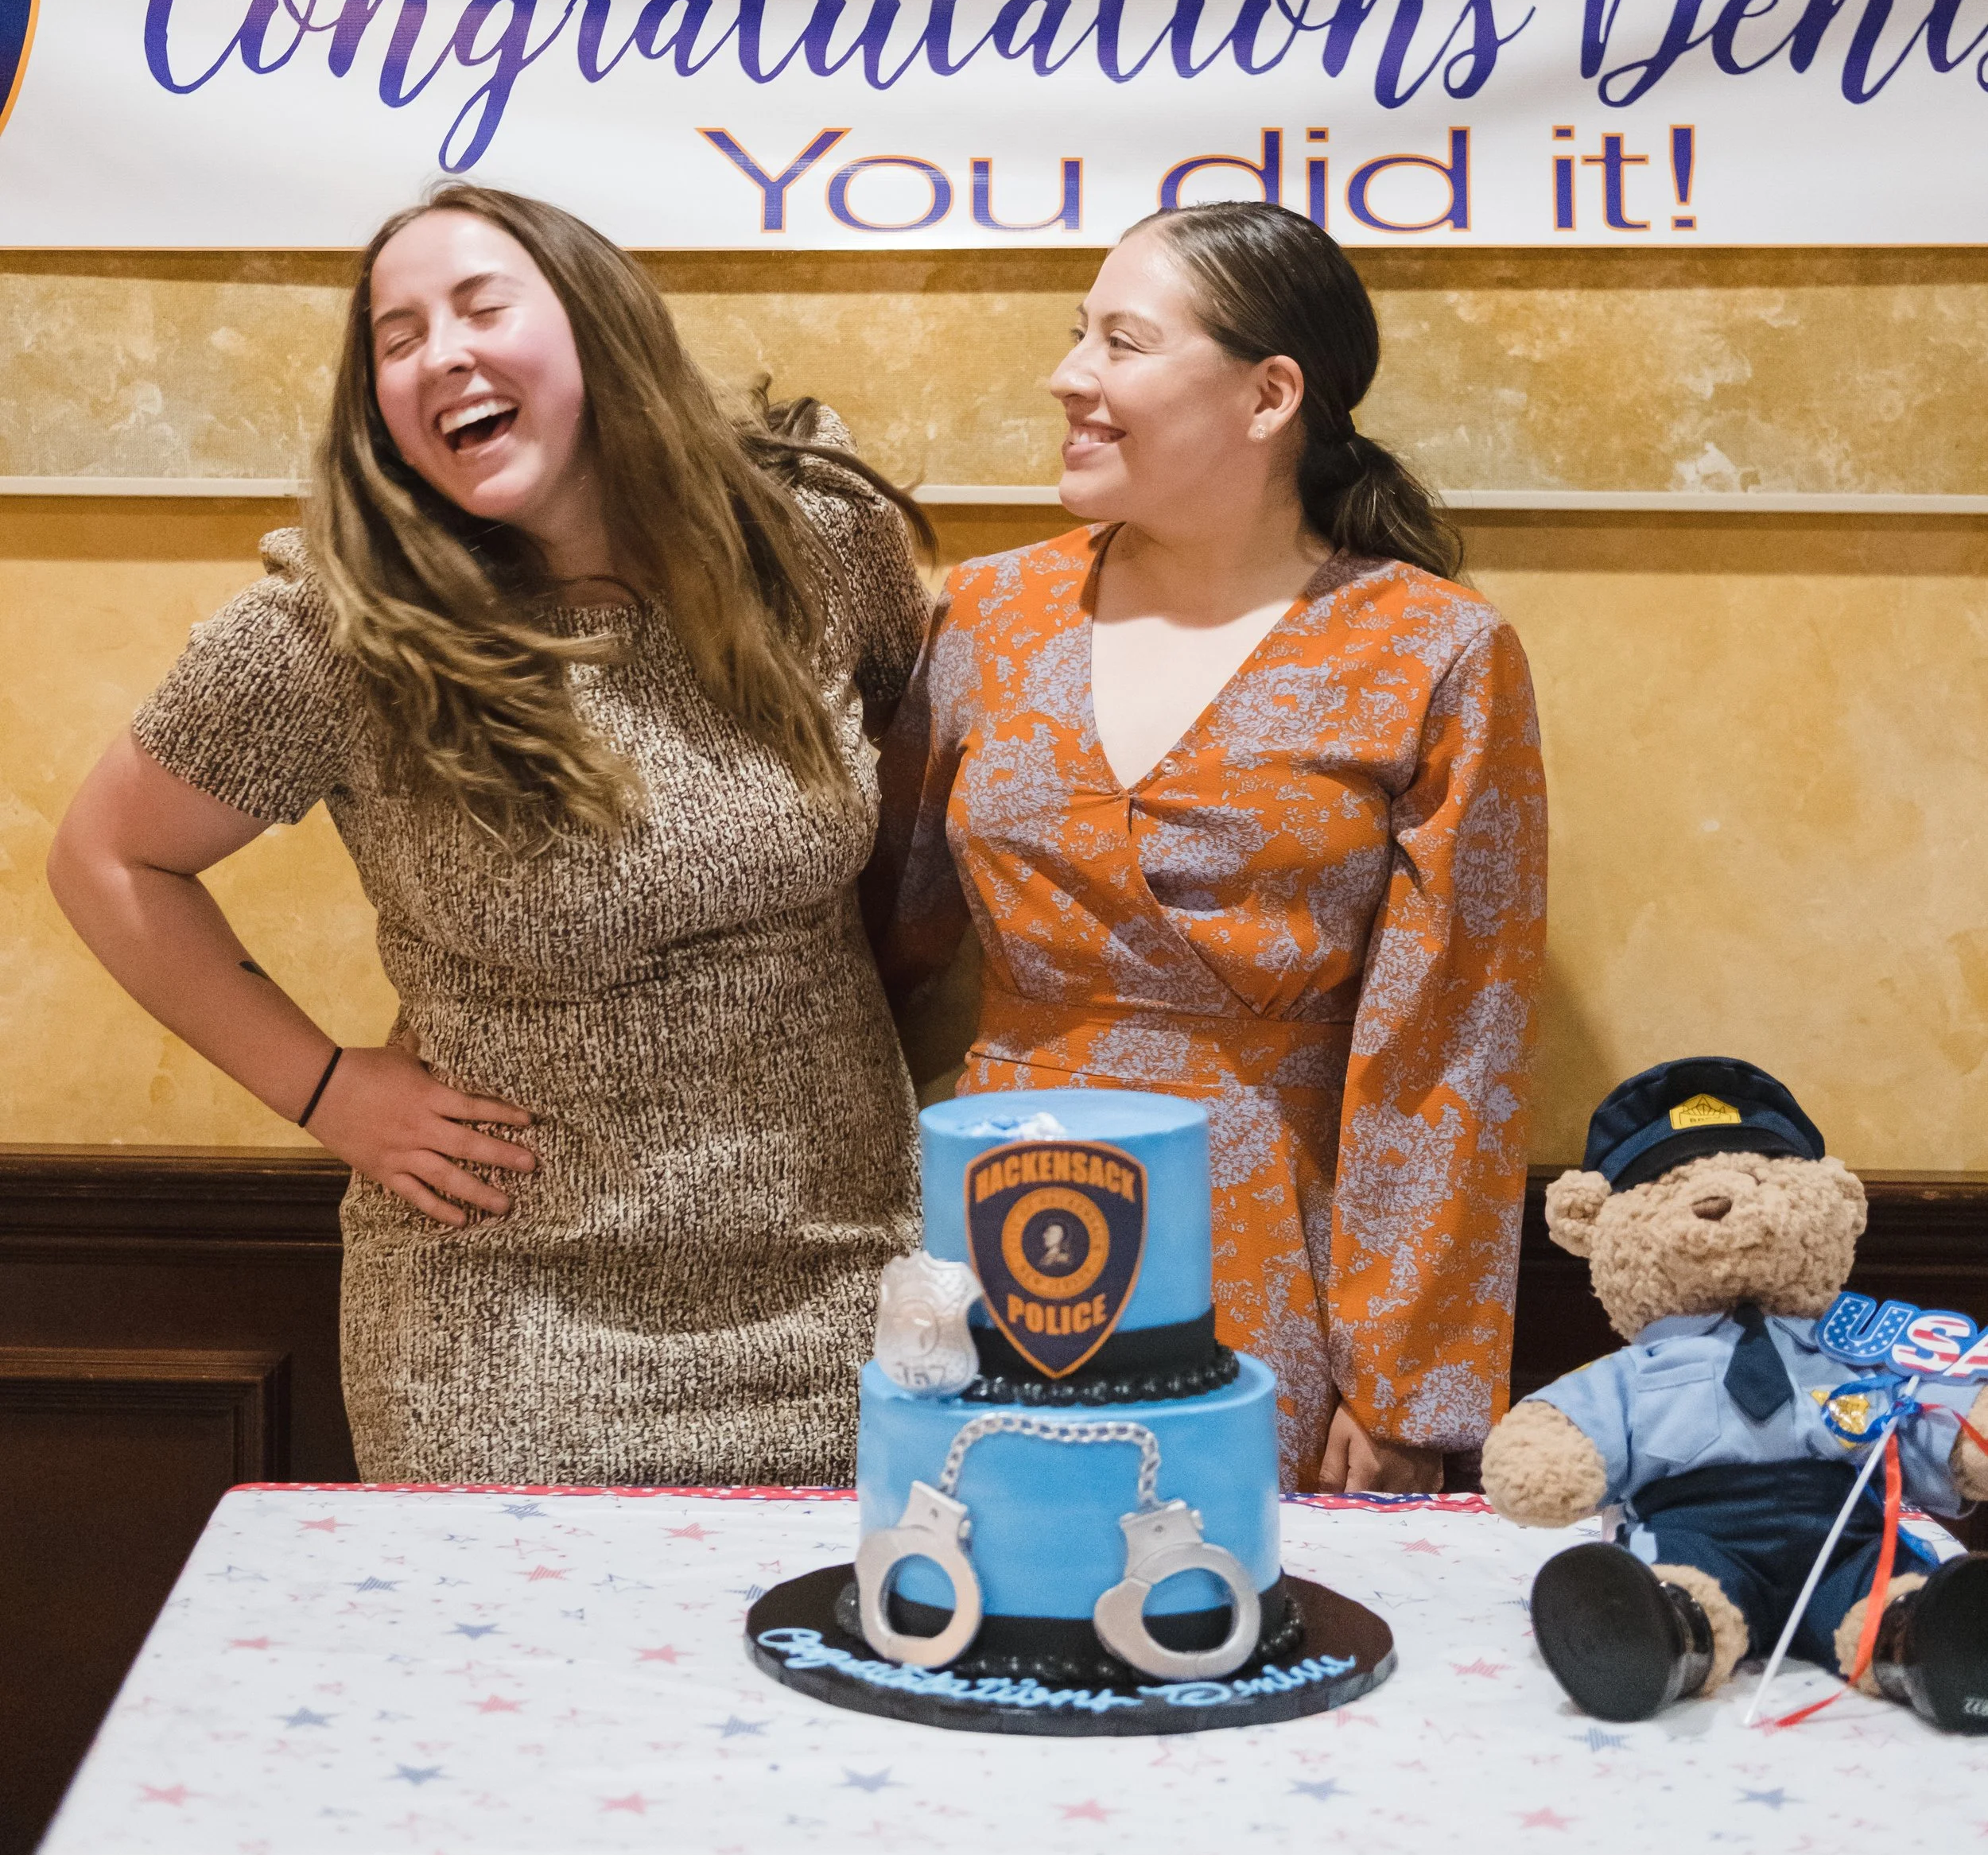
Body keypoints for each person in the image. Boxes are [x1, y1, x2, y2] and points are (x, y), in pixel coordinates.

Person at [49, 184, 930, 1487]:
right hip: (514, 1323)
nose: (437, 353)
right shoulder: (335, 635)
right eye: (395, 338)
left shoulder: (813, 542)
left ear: (597, 325)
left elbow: (929, 805)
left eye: (478, 305)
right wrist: (331, 1091)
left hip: (851, 1287)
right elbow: (108, 857)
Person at [867, 200, 1547, 1494]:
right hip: (978, 1225)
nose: (1069, 375)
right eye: (1079, 336)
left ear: (1269, 393)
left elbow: (1455, 1037)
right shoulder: (984, 614)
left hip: (1267, 1257)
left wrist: (1406, 1385)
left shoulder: (1435, 651)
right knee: (989, 1590)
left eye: (1122, 341)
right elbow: (870, 954)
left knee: (1216, 1616)